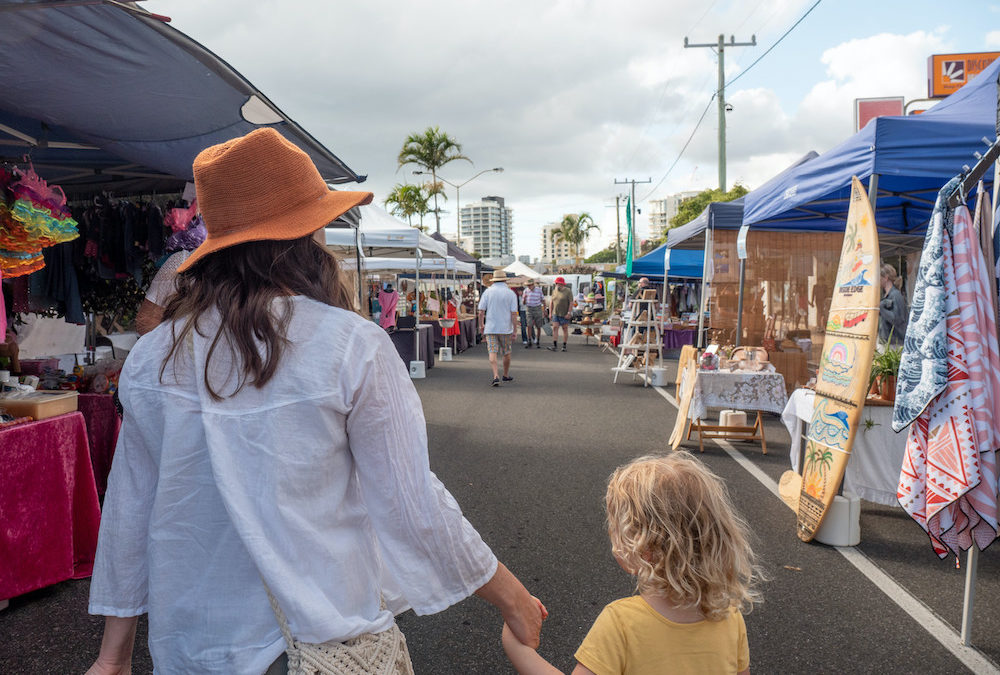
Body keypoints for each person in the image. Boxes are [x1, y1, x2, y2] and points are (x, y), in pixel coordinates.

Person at [86, 128, 543, 674]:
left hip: (191, 646)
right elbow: (412, 504)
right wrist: (514, 600)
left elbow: (130, 510)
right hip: (322, 639)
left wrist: (111, 658)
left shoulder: (153, 358)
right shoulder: (349, 344)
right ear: (303, 237)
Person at [501, 452, 761, 675]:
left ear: (643, 547)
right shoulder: (729, 616)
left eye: (615, 526)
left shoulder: (620, 623)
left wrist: (516, 645)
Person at [478, 269, 519, 386]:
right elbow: (513, 314)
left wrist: (481, 325)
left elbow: (481, 311)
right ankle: (505, 374)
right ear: (505, 280)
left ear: (494, 280)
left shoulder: (487, 292)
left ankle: (495, 375)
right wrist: (515, 330)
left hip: (490, 327)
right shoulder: (511, 293)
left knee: (492, 351)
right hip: (505, 328)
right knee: (506, 352)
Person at [879, 262, 907, 347]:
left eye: (879, 277)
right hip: (888, 342)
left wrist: (881, 308)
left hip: (895, 344)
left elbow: (898, 319)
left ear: (886, 278)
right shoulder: (887, 296)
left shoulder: (896, 295)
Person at [547, 276, 573, 352]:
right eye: (556, 283)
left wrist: (569, 313)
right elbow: (551, 302)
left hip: (564, 313)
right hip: (556, 313)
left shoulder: (568, 291)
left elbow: (571, 303)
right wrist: (550, 313)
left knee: (565, 329)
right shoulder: (554, 291)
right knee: (555, 328)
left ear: (562, 284)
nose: (557, 285)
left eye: (558, 283)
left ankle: (564, 345)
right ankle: (554, 345)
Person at [522, 278, 546, 348]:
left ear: (533, 284)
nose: (529, 287)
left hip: (537, 308)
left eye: (530, 285)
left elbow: (543, 300)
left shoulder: (539, 290)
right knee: (529, 325)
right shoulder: (526, 291)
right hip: (529, 309)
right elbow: (523, 303)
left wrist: (544, 310)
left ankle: (538, 341)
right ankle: (529, 341)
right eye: (528, 285)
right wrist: (525, 299)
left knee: (538, 326)